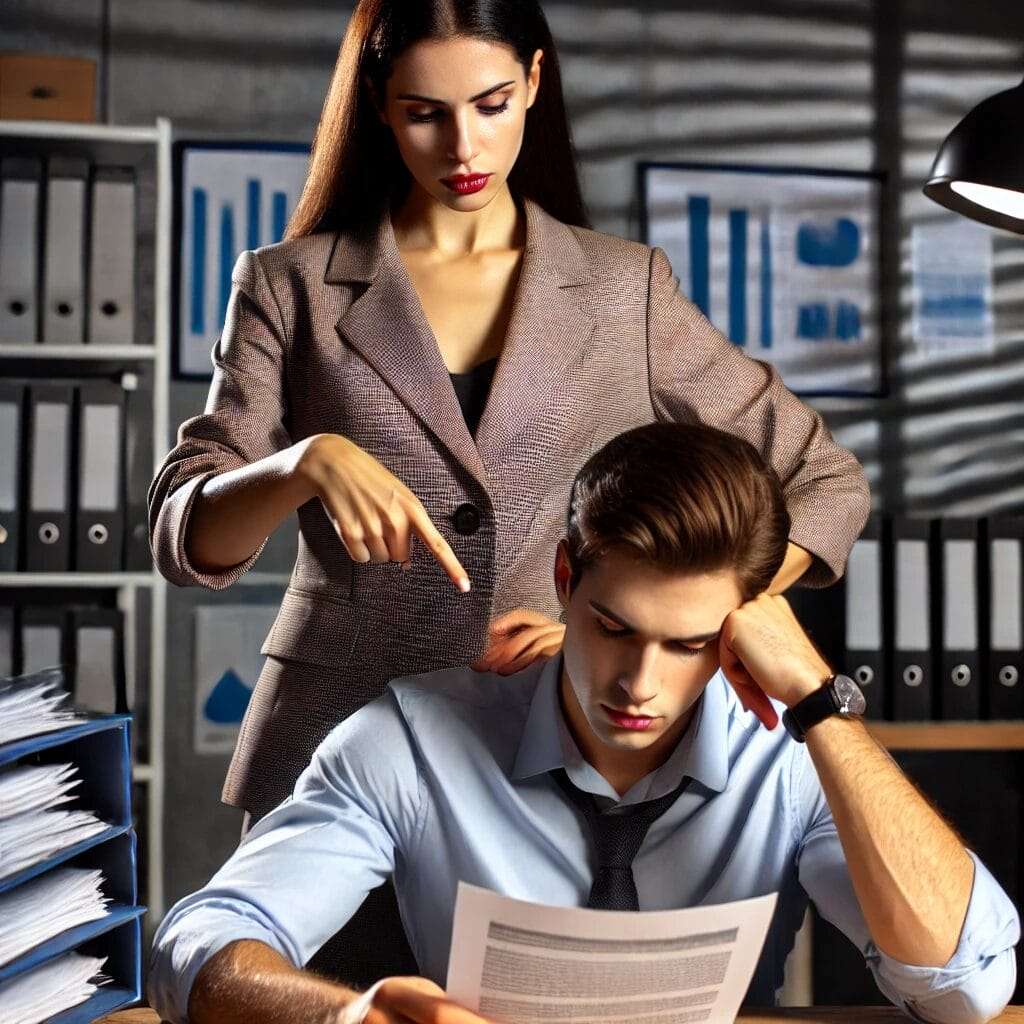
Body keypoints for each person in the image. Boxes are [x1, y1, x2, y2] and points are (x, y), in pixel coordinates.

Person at [148, 0, 869, 982]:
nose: (463, 145)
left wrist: (717, 613)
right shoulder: (291, 284)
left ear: (535, 79)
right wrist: (301, 463)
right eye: (423, 114)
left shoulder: (626, 289)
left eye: (490, 104)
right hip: (336, 756)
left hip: (544, 764)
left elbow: (825, 482)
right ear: (377, 106)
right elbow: (187, 535)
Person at [148, 423, 1017, 1024]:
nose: (639, 683)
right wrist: (344, 1013)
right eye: (613, 628)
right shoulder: (410, 741)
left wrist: (821, 703)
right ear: (566, 579)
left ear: (749, 624)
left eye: (689, 643)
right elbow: (201, 942)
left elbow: (966, 990)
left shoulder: (787, 761)